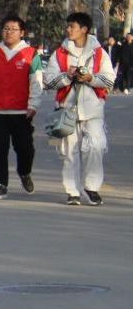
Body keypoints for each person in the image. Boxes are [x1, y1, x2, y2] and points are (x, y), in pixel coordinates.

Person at [43, 12, 115, 206]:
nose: (68, 30)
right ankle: (72, 191)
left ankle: (91, 187)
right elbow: (48, 81)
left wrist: (90, 78)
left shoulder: (99, 53)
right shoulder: (60, 53)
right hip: (67, 110)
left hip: (93, 110)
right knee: (69, 152)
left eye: (72, 26)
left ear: (84, 29)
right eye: (67, 26)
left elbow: (109, 79)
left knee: (96, 146)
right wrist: (67, 76)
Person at [0, 15, 42, 199]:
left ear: (22, 32)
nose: (8, 32)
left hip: (21, 111)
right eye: (5, 29)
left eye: (13, 29)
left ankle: (24, 172)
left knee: (25, 148)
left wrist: (33, 104)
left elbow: (36, 82)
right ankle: (0, 184)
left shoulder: (30, 53)